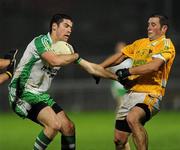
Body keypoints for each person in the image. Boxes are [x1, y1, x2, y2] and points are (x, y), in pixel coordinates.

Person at [8, 13, 118, 150]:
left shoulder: (66, 48)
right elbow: (55, 61)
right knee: (54, 125)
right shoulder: (41, 42)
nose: (69, 30)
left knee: (68, 127)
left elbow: (92, 68)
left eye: (71, 27)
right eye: (66, 26)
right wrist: (76, 56)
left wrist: (118, 78)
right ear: (54, 27)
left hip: (39, 94)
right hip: (22, 92)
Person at [99, 13, 176, 150]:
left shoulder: (166, 44)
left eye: (153, 25)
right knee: (119, 140)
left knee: (133, 118)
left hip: (150, 94)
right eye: (148, 24)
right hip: (131, 93)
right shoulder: (140, 43)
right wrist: (99, 68)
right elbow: (120, 56)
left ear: (164, 28)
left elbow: (154, 66)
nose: (149, 28)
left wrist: (128, 71)